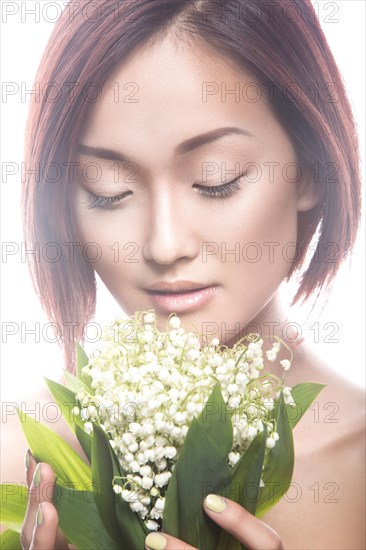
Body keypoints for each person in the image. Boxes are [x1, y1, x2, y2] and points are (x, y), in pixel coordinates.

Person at [2, 0, 364, 548]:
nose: (165, 244)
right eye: (108, 190)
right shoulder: (22, 461)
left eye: (215, 180)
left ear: (311, 169)